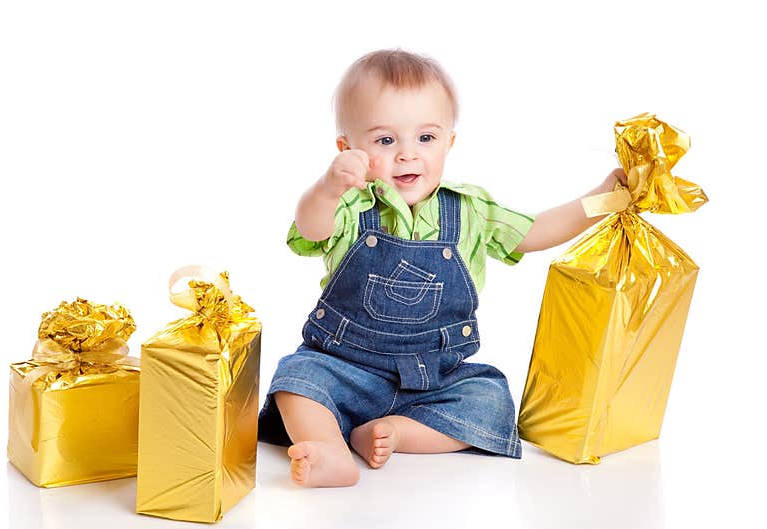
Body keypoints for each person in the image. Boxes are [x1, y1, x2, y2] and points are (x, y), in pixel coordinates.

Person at [257, 49, 626, 487]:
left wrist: (606, 199)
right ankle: (330, 452)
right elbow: (311, 230)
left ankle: (395, 432)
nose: (408, 155)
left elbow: (534, 231)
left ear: (449, 141)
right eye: (385, 141)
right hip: (346, 369)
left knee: (490, 399)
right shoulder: (349, 205)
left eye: (426, 138)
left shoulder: (470, 210)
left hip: (436, 376)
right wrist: (327, 187)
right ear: (348, 149)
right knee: (294, 380)